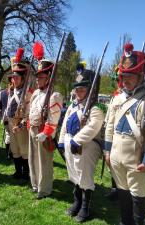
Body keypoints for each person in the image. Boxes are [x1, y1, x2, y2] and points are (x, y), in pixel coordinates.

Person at [104, 43, 145, 225]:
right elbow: (110, 126)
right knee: (122, 192)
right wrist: (107, 151)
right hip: (115, 155)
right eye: (123, 76)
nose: (125, 79)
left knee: (138, 194)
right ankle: (125, 221)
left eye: (129, 76)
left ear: (140, 76)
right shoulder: (117, 97)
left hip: (136, 158)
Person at [58, 69, 104, 222]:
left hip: (88, 146)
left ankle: (85, 207)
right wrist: (61, 140)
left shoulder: (95, 108)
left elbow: (93, 127)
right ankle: (76, 202)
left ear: (89, 90)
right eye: (77, 88)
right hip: (71, 144)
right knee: (74, 173)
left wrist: (77, 140)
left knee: (84, 176)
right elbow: (65, 123)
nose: (78, 91)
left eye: (82, 89)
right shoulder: (73, 105)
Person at [28, 59, 63, 199]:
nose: (37, 79)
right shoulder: (36, 93)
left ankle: (45, 189)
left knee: (44, 163)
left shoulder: (54, 96)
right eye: (37, 76)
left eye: (40, 77)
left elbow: (53, 120)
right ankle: (35, 184)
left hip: (44, 133)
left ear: (49, 77)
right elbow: (31, 111)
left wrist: (45, 133)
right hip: (33, 129)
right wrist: (28, 124)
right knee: (33, 159)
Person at [5, 55, 32, 180]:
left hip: (20, 124)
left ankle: (26, 173)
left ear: (22, 78)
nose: (14, 80)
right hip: (10, 122)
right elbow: (8, 106)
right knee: (14, 148)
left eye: (16, 77)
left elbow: (29, 112)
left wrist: (21, 124)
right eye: (13, 78)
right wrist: (5, 120)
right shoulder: (11, 90)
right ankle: (18, 171)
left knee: (24, 150)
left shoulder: (27, 92)